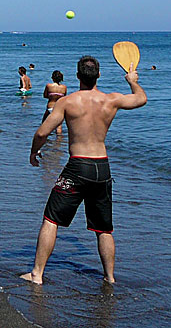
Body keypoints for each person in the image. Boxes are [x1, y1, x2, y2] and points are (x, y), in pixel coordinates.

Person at [21, 56, 146, 285]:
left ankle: (37, 274)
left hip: (77, 167)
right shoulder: (111, 100)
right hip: (102, 168)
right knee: (104, 229)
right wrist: (132, 80)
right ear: (99, 75)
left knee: (51, 219)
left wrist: (33, 152)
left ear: (78, 76)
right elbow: (141, 99)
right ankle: (109, 277)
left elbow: (41, 133)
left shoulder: (68, 102)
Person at [42, 70, 67, 134]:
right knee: (59, 126)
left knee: (44, 123)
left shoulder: (49, 86)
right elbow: (64, 98)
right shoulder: (64, 87)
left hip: (50, 107)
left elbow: (45, 96)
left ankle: (45, 139)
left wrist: (52, 96)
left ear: (52, 78)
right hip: (59, 108)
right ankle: (59, 141)